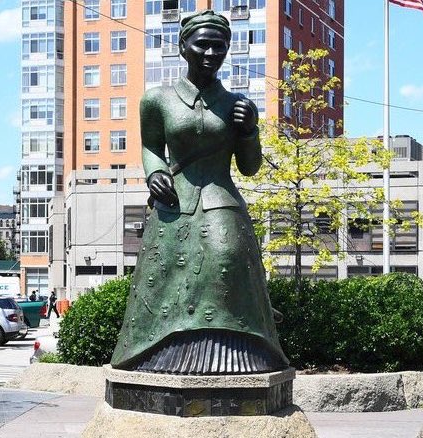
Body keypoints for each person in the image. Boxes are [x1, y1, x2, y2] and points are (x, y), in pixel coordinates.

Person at [111, 10, 288, 375]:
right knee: (164, 281)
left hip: (222, 201)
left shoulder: (237, 104)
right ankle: (159, 359)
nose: (210, 54)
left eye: (219, 47)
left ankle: (238, 357)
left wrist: (250, 131)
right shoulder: (157, 100)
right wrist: (156, 172)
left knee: (228, 262)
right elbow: (150, 148)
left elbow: (250, 166)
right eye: (202, 45)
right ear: (183, 47)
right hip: (174, 203)